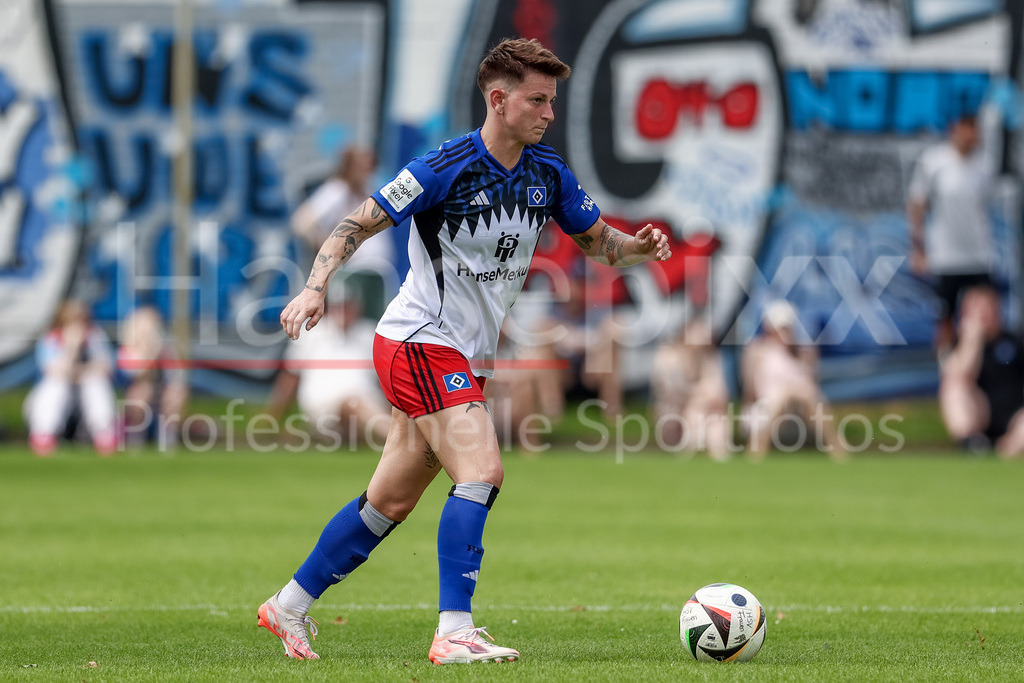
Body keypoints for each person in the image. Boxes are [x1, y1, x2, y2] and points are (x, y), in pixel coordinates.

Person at [263, 37, 671, 664]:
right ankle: (454, 630)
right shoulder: (442, 167)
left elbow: (599, 244)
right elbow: (353, 224)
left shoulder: (547, 172)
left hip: (460, 355)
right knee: (481, 471)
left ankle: (289, 605)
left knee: (390, 501)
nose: (549, 113)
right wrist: (315, 287)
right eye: (538, 100)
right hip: (417, 340)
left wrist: (638, 247)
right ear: (499, 100)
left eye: (552, 101)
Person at [907, 114, 997, 356]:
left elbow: (985, 207)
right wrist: (918, 249)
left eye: (975, 131)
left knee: (985, 317)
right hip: (946, 257)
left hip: (979, 255)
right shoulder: (934, 161)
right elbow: (917, 205)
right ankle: (947, 371)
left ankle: (987, 371)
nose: (972, 137)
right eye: (967, 130)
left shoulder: (985, 165)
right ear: (954, 130)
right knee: (944, 317)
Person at [264, 289, 390, 447]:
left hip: (369, 405)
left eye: (348, 306)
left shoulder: (369, 332)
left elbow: (385, 379)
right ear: (330, 307)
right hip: (324, 406)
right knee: (354, 404)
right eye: (339, 307)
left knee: (362, 410)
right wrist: (272, 418)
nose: (344, 312)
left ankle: (389, 438)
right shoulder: (312, 332)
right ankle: (398, 442)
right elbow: (290, 377)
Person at [291, 144, 394, 320]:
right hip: (352, 276)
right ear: (350, 166)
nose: (368, 169)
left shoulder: (366, 190)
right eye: (362, 164)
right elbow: (302, 222)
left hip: (374, 275)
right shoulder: (337, 190)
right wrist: (331, 250)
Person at [740, 300, 844, 460]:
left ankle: (837, 449)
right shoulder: (757, 350)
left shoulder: (804, 351)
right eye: (779, 328)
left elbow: (812, 384)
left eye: (786, 327)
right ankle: (757, 450)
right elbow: (750, 390)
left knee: (805, 391)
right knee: (781, 393)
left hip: (799, 411)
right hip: (767, 407)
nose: (783, 332)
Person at [938, 285, 1024, 457]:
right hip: (980, 413)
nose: (982, 314)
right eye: (976, 308)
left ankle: (1012, 447)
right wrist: (972, 340)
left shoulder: (1015, 342)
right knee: (954, 387)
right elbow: (958, 376)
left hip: (1016, 416)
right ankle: (973, 444)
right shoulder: (955, 347)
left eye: (987, 307)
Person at [24, 300, 118, 456]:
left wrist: (81, 371)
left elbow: (106, 367)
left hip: (83, 400)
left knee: (95, 382)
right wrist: (71, 348)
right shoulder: (51, 339)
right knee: (57, 384)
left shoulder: (95, 336)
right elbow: (54, 371)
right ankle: (43, 434)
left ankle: (104, 434)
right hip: (52, 400)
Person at [650, 316, 732, 461]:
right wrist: (699, 396)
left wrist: (705, 398)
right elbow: (671, 393)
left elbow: (719, 393)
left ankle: (718, 455)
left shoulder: (709, 357)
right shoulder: (668, 356)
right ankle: (690, 451)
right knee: (696, 411)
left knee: (715, 416)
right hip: (671, 414)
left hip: (701, 410)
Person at [117, 306, 189, 448]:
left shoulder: (166, 349)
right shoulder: (127, 350)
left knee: (176, 394)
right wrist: (151, 353)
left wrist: (175, 389)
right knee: (142, 392)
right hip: (130, 396)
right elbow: (135, 375)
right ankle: (135, 441)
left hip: (160, 393)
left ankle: (168, 440)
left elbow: (176, 376)